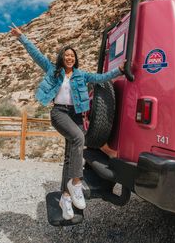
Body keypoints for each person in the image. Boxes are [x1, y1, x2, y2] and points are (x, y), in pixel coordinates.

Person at [10, 23, 125, 220]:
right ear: (62, 57)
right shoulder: (53, 70)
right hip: (60, 113)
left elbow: (101, 77)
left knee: (70, 157)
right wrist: (22, 37)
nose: (69, 57)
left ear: (75, 58)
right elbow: (36, 55)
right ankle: (76, 183)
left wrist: (119, 71)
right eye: (66, 55)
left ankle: (65, 197)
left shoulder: (81, 75)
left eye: (72, 55)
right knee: (79, 138)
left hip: (76, 114)